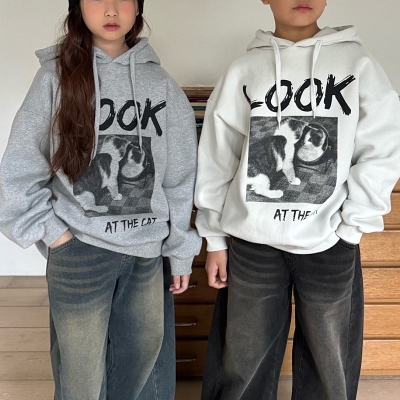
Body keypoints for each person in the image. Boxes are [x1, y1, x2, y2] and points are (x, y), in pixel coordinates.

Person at [194, 1, 400, 399]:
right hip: (252, 241)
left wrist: (352, 226)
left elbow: (382, 149)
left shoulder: (359, 65)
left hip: (330, 240)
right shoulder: (244, 69)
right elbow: (218, 155)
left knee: (330, 365)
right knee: (242, 361)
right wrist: (215, 238)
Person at [0, 0, 201, 399]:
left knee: (142, 367)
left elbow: (179, 178)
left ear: (138, 8)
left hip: (146, 252)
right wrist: (55, 236)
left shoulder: (161, 84)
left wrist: (180, 250)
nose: (111, 9)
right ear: (77, 7)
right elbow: (20, 167)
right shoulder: (55, 78)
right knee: (81, 377)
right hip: (79, 250)